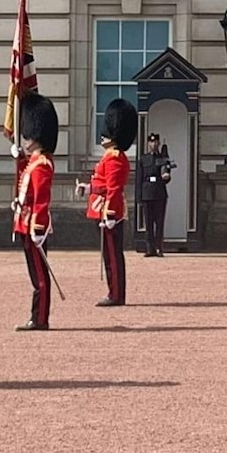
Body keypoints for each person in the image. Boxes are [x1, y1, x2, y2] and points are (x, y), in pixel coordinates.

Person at [82, 98, 136, 308]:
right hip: (102, 209)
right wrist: (88, 189)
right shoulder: (110, 156)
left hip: (107, 212)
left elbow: (113, 189)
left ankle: (116, 294)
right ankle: (114, 291)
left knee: (113, 255)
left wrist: (110, 215)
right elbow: (104, 185)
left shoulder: (114, 157)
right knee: (109, 254)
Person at [12, 93, 58, 330]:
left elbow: (41, 199)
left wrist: (38, 227)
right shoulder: (34, 162)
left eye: (28, 132)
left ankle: (40, 318)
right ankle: (36, 315)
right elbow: (25, 184)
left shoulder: (42, 165)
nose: (25, 137)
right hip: (25, 222)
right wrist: (20, 158)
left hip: (33, 225)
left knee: (39, 274)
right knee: (35, 273)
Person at [138, 131, 174, 257]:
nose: (153, 144)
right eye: (151, 142)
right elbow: (139, 178)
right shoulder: (143, 159)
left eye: (155, 142)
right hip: (147, 193)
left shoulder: (163, 158)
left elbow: (168, 176)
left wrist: (167, 176)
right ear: (148, 143)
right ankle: (150, 248)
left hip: (159, 193)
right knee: (148, 223)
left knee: (159, 222)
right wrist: (139, 197)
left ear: (158, 143)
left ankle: (159, 248)